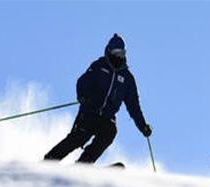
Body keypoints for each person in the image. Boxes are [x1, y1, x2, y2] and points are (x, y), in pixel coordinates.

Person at [44, 34, 152, 163]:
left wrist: (142, 126)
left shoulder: (127, 78)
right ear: (109, 51)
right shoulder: (100, 66)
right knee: (79, 137)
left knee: (110, 132)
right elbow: (82, 82)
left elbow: (133, 105)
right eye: (116, 52)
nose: (119, 56)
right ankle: (50, 159)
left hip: (107, 117)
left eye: (122, 53)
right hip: (90, 111)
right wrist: (82, 96)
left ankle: (84, 163)